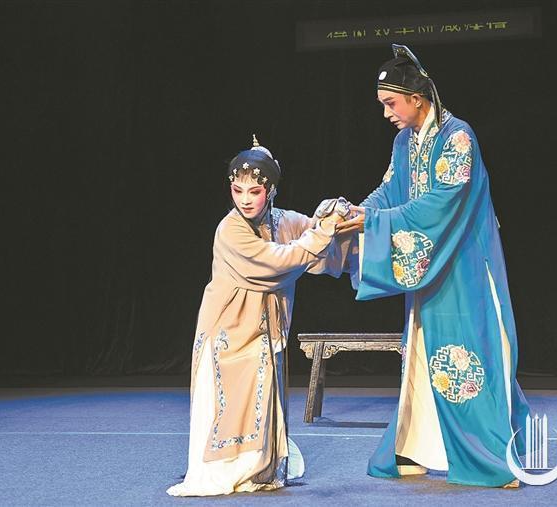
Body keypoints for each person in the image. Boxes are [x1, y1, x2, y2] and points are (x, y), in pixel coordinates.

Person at [337, 45, 531, 488]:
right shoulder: (405, 141)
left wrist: (375, 221)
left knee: (468, 357)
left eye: (391, 103)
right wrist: (356, 212)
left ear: (416, 97)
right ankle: (415, 448)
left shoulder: (458, 137)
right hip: (431, 266)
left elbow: (444, 202)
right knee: (424, 354)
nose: (386, 113)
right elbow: (390, 191)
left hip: (464, 263)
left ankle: (491, 459)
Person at [167, 136, 350, 496]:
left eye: (254, 191)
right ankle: (230, 471)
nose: (245, 199)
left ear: (271, 190)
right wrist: (322, 232)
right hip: (229, 332)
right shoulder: (231, 230)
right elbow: (278, 262)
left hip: (264, 333)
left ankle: (260, 472)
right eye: (238, 191)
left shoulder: (281, 221)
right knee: (234, 407)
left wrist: (336, 220)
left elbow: (314, 239)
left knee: (262, 402)